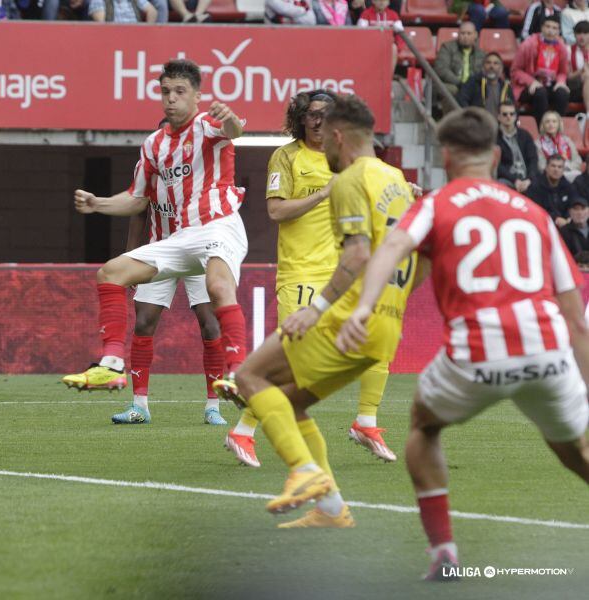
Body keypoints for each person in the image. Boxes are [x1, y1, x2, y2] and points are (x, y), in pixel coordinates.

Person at [337, 107, 589, 581]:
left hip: (477, 352)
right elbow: (576, 320)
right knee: (573, 451)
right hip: (546, 348)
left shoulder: (435, 202)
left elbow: (391, 247)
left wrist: (364, 307)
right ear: (495, 156)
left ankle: (444, 553)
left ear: (446, 155)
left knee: (422, 427)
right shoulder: (535, 213)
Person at [213, 95, 418, 528]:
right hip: (386, 323)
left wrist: (320, 308)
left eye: (328, 134)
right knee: (290, 401)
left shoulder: (348, 182)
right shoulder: (397, 179)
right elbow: (420, 251)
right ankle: (331, 508)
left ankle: (303, 472)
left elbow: (357, 255)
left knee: (251, 376)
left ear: (340, 135)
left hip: (344, 310)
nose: (321, 143)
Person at [62, 59, 249, 410]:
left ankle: (238, 374)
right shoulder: (153, 144)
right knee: (110, 273)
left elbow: (235, 131)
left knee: (218, 288)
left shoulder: (209, 125)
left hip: (218, 226)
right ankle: (112, 364)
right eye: (166, 92)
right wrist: (97, 203)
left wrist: (230, 118)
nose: (171, 99)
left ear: (196, 96)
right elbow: (136, 199)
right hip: (176, 238)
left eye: (180, 92)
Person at [112, 202, 226, 425]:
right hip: (160, 251)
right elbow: (139, 210)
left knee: (211, 326)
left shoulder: (202, 168)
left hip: (199, 253)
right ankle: (140, 406)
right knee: (143, 322)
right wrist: (131, 257)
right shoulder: (148, 167)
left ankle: (213, 407)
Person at [513, 16, 571, 124]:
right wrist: (531, 82)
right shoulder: (528, 44)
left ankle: (558, 129)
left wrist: (561, 82)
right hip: (528, 86)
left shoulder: (562, 47)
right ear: (541, 28)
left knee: (562, 93)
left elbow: (563, 72)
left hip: (550, 84)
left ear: (559, 31)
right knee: (540, 93)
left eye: (555, 28)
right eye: (548, 26)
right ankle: (541, 129)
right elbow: (515, 70)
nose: (551, 31)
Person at [435, 21, 485, 113]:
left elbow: (483, 72)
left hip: (472, 86)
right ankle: (451, 123)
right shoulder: (447, 47)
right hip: (453, 84)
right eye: (462, 33)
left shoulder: (481, 54)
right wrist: (459, 83)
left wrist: (470, 85)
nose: (465, 36)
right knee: (451, 90)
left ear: (475, 35)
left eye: (469, 33)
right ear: (458, 34)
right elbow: (441, 69)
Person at [496, 102, 539, 193]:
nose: (508, 117)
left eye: (512, 114)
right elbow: (497, 165)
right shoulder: (494, 137)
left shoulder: (525, 135)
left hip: (527, 178)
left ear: (516, 116)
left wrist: (529, 179)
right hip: (506, 179)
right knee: (501, 185)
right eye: (505, 114)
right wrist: (514, 180)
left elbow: (533, 159)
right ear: (498, 117)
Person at [526, 154, 581, 225]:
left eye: (559, 167)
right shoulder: (535, 186)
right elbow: (534, 210)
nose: (556, 169)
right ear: (546, 168)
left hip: (566, 225)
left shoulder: (568, 186)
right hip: (542, 223)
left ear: (563, 170)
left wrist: (569, 218)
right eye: (553, 166)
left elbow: (573, 204)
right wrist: (555, 219)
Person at [357, 0, 403, 74]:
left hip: (387, 45)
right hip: (370, 45)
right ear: (373, 1)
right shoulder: (365, 14)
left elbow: (401, 34)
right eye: (379, 0)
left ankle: (389, 77)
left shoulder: (393, 15)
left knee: (394, 48)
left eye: (384, 0)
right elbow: (360, 33)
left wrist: (399, 47)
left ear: (388, 2)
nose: (381, 2)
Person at [535, 110, 583, 181]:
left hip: (568, 172)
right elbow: (541, 166)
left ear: (559, 124)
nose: (551, 124)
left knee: (578, 176)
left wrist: (565, 167)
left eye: (554, 121)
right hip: (548, 176)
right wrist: (557, 170)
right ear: (543, 125)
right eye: (547, 122)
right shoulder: (537, 143)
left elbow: (578, 161)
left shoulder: (567, 141)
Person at [567, 21, 589, 113]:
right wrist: (580, 71)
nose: (582, 37)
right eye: (579, 33)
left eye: (585, 33)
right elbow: (568, 76)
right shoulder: (568, 50)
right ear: (574, 35)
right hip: (575, 86)